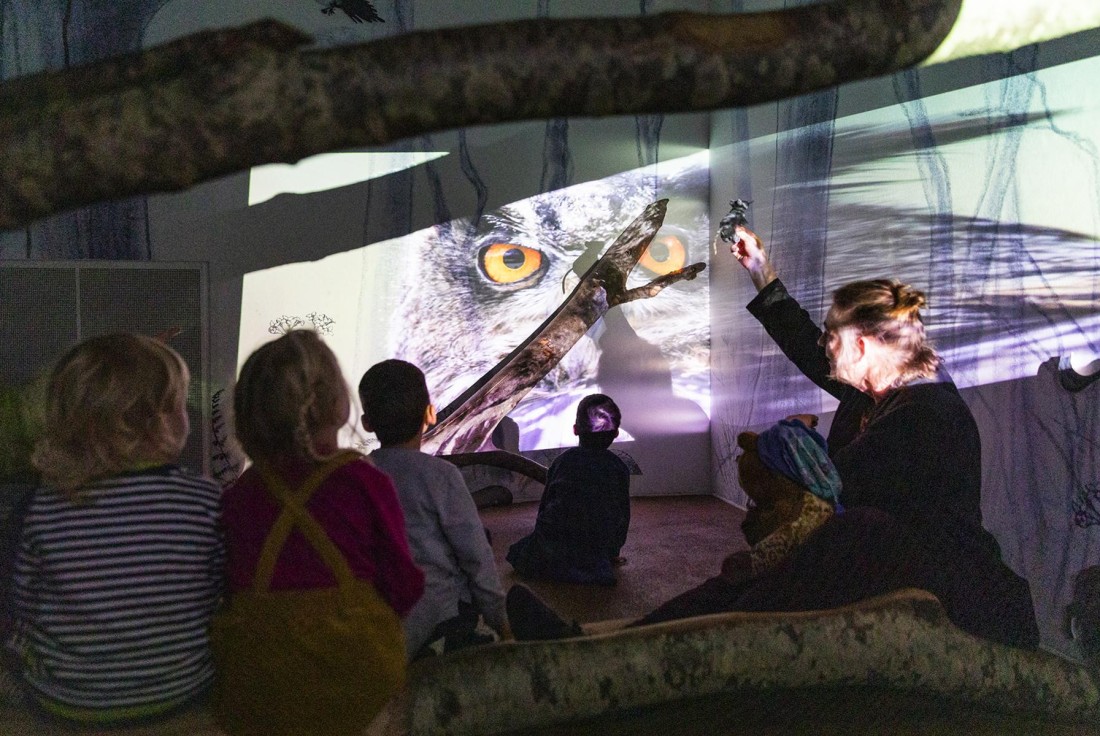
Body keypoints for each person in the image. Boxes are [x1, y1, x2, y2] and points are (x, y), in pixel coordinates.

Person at [4, 333, 224, 726]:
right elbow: (217, 595)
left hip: (67, 703)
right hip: (178, 693)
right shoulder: (205, 499)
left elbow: (21, 600)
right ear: (162, 420)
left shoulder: (42, 506)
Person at [217, 330, 423, 735]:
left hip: (261, 685)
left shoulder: (240, 494)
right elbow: (403, 582)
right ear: (338, 405)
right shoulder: (363, 480)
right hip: (357, 681)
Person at [358, 359, 509, 659]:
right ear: (430, 412)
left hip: (380, 622)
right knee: (483, 543)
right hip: (440, 619)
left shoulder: (359, 475)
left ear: (367, 423)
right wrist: (502, 625)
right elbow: (477, 559)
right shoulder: (442, 476)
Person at [506, 394, 630, 587]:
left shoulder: (562, 462)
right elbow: (621, 515)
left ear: (575, 430)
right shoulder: (618, 467)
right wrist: (612, 553)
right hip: (593, 547)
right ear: (616, 434)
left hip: (553, 544)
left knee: (516, 553)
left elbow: (546, 506)